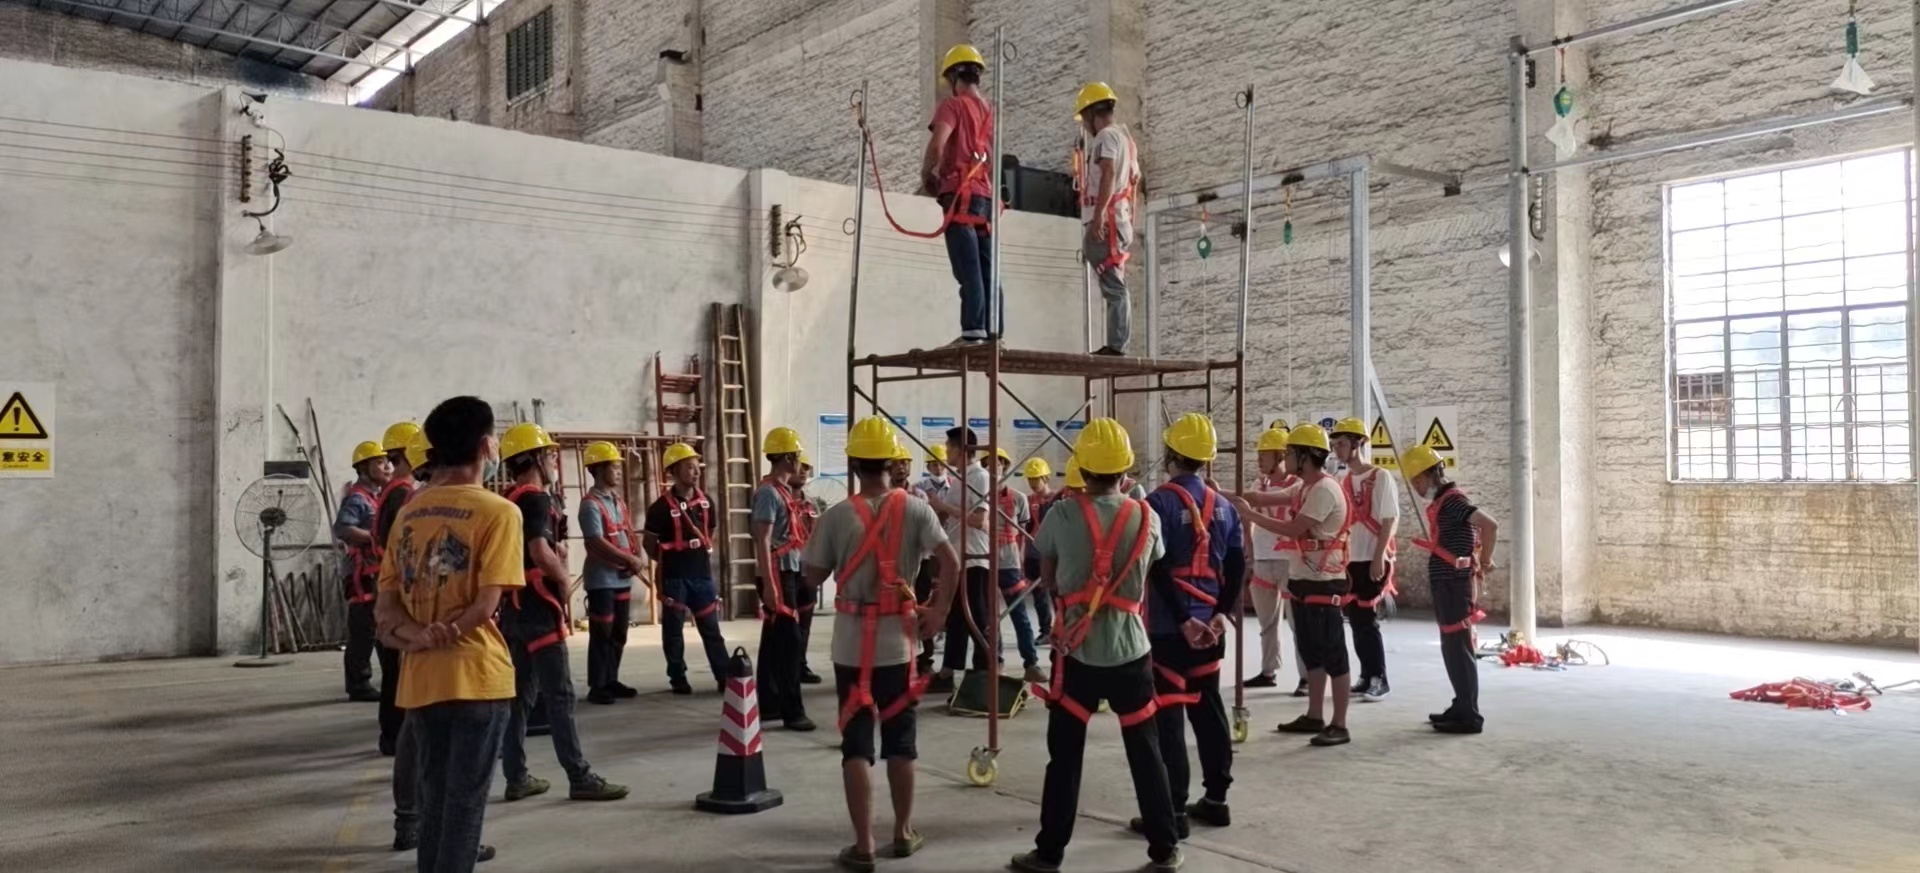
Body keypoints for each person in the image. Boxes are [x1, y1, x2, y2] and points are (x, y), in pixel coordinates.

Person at [1012, 418, 1181, 873]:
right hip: (1131, 650)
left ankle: (1050, 852)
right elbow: (1151, 569)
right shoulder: (1148, 516)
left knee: (1064, 757)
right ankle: (1165, 848)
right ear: (1125, 471)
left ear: (1082, 470)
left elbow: (1046, 578)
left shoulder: (1061, 515)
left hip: (1075, 654)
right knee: (1146, 750)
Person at [802, 418, 959, 872]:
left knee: (856, 742)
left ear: (853, 464)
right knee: (901, 740)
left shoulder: (835, 516)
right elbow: (949, 564)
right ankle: (903, 832)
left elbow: (811, 576)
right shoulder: (916, 509)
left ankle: (864, 843)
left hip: (851, 646)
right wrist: (939, 611)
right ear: (893, 464)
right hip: (900, 643)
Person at [374, 396, 520, 873]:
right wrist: (448, 630)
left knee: (434, 800)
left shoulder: (409, 514)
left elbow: (386, 611)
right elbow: (485, 604)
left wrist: (418, 636)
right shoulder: (499, 512)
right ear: (485, 445)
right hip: (477, 677)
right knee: (464, 807)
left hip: (422, 680)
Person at [495, 423, 628, 802]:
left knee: (519, 696)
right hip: (539, 608)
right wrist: (563, 577)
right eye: (550, 454)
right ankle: (579, 776)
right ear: (536, 458)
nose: (555, 460)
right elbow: (539, 550)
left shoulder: (509, 498)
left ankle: (516, 776)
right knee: (560, 696)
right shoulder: (536, 499)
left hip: (514, 610)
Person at [1138, 412, 1244, 836]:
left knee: (1169, 716)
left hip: (1170, 628)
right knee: (1209, 707)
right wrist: (1220, 612)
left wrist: (1182, 620)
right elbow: (1237, 567)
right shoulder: (1225, 508)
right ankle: (1217, 800)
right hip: (1210, 629)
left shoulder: (1157, 504)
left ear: (1171, 453)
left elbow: (1157, 570)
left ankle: (1174, 812)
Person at [1233, 424, 1354, 747]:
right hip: (1304, 578)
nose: (1285, 457)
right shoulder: (1304, 487)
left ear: (1305, 455)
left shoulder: (1324, 490)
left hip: (1324, 581)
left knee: (1333, 653)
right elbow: (1261, 496)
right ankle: (1314, 714)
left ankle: (1339, 723)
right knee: (1311, 650)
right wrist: (1221, 494)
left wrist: (1252, 516)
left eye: (1289, 452)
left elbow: (1295, 529)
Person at [1401, 446, 1497, 734]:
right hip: (1447, 584)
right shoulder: (1443, 501)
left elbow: (1489, 525)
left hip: (1455, 585)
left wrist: (1487, 561)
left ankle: (1469, 715)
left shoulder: (1454, 501)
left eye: (1418, 480)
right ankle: (1461, 704)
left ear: (1432, 474)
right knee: (1451, 647)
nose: (1417, 488)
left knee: (1459, 647)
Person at [922, 44, 998, 346]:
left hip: (959, 192)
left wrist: (927, 174)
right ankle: (994, 331)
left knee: (967, 267)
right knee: (986, 266)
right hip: (984, 196)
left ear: (954, 76)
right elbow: (992, 157)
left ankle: (972, 332)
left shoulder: (952, 107)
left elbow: (938, 144)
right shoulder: (990, 111)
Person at [642, 442, 732, 695]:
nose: (696, 472)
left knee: (712, 630)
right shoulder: (659, 508)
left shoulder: (707, 503)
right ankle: (677, 676)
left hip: (701, 576)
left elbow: (709, 532)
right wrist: (668, 560)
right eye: (689, 467)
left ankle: (724, 676)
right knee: (673, 632)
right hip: (674, 578)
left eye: (697, 467)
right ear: (674, 470)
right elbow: (649, 543)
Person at [1233, 423, 1305, 693]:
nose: (1260, 460)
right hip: (1263, 559)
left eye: (1265, 454)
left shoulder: (1297, 486)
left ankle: (1306, 677)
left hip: (1290, 561)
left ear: (1281, 456)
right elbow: (1246, 519)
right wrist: (1250, 553)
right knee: (1267, 622)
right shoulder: (1258, 483)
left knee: (1298, 622)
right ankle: (1268, 670)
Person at [1331, 418, 1399, 701]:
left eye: (1342, 444)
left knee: (1368, 620)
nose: (1337, 450)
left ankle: (1379, 677)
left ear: (1358, 444)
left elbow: (1389, 518)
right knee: (1356, 620)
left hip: (1371, 556)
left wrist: (1379, 555)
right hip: (1350, 559)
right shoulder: (1342, 481)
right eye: (1334, 445)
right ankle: (1365, 673)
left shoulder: (1380, 476)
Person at [754, 426, 817, 730]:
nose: (798, 463)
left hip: (787, 570)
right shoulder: (768, 492)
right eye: (796, 457)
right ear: (789, 458)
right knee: (790, 643)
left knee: (775, 641)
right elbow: (763, 540)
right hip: (777, 573)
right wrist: (769, 585)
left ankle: (768, 703)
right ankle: (793, 711)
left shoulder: (781, 491)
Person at [1074, 82, 1142, 357]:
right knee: (1112, 278)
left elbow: (1109, 173)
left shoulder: (1105, 137)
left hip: (1111, 219)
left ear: (1092, 113)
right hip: (1119, 218)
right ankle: (1117, 343)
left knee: (1113, 283)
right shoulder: (1126, 139)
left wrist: (1100, 214)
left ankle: (1117, 345)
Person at [924, 426, 991, 694]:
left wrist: (942, 507)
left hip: (974, 558)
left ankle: (984, 671)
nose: (946, 453)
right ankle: (948, 672)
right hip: (957, 558)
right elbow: (954, 518)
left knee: (976, 616)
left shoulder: (980, 477)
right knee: (956, 617)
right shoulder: (960, 478)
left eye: (949, 447)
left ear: (962, 450)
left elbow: (979, 520)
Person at [578, 441, 646, 704]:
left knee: (619, 631)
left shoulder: (617, 501)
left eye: (618, 467)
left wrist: (636, 555)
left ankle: (611, 678)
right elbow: (595, 540)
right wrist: (628, 558)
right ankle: (598, 685)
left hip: (621, 579)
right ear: (597, 469)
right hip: (601, 581)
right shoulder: (590, 505)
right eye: (613, 466)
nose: (618, 471)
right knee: (602, 633)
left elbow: (627, 531)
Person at [373, 423, 423, 753]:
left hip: (385, 587)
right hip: (395, 591)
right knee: (397, 671)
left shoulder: (391, 491)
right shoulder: (403, 494)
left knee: (394, 669)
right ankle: (395, 738)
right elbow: (403, 547)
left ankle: (393, 736)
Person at [337, 440, 394, 703]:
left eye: (388, 461)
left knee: (381, 625)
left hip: (377, 573)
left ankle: (389, 677)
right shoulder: (357, 498)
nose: (387, 466)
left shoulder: (378, 497)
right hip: (361, 576)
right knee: (364, 630)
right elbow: (344, 529)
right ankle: (358, 684)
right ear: (363, 468)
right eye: (379, 463)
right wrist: (375, 538)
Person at [987, 448, 1044, 684]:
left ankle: (1031, 662)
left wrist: (1020, 563)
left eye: (998, 464)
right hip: (985, 562)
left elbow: (1022, 533)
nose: (993, 469)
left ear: (1004, 467)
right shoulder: (977, 497)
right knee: (991, 618)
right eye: (989, 465)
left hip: (1009, 564)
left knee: (1019, 614)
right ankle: (996, 662)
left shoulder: (1018, 498)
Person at [795, 454, 826, 685]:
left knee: (805, 623)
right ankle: (786, 667)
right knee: (785, 626)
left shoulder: (812, 504)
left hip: (807, 570)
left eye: (807, 468)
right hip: (786, 569)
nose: (803, 472)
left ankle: (800, 665)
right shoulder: (776, 498)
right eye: (800, 467)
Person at [1021, 457, 1057, 645]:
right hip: (1033, 554)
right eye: (1031, 479)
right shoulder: (1027, 501)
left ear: (1046, 478)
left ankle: (1062, 629)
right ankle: (1045, 630)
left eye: (1036, 479)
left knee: (1057, 594)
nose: (1033, 483)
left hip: (1051, 554)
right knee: (1039, 596)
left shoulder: (1056, 501)